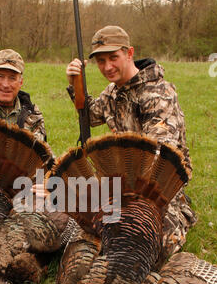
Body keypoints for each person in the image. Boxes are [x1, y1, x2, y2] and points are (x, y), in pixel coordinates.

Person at [66, 25, 197, 266]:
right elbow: (91, 115)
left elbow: (161, 158)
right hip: (123, 184)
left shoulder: (158, 94)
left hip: (159, 190)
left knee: (150, 246)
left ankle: (182, 214)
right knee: (83, 224)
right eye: (101, 61)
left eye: (113, 58)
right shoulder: (112, 92)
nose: (107, 67)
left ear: (129, 53)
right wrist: (76, 83)